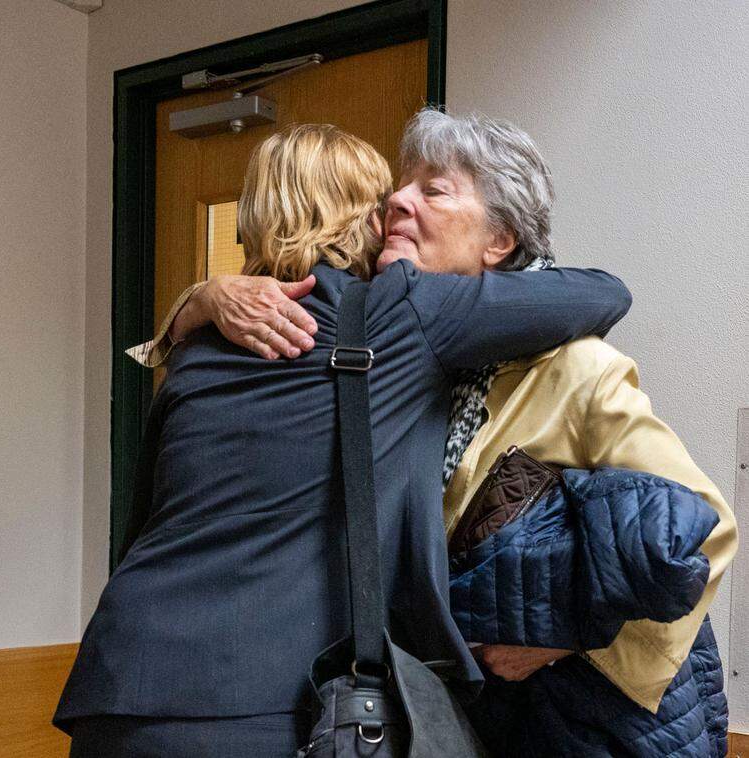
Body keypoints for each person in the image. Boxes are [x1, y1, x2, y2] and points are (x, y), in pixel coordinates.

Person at [145, 109, 736, 755]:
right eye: (401, 186)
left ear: (499, 240)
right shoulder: (384, 351)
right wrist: (201, 298)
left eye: (432, 189)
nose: (396, 200)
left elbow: (707, 528)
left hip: (595, 716)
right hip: (457, 709)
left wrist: (560, 635)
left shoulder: (572, 366)